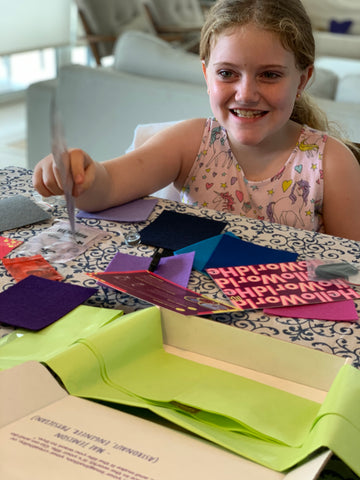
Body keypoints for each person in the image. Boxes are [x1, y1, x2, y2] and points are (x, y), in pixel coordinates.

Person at [33, 0, 360, 241]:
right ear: (206, 74)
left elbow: (351, 267)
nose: (245, 94)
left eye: (270, 75)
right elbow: (107, 187)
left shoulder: (331, 164)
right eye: (227, 73)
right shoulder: (190, 142)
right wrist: (79, 176)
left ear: (302, 80)